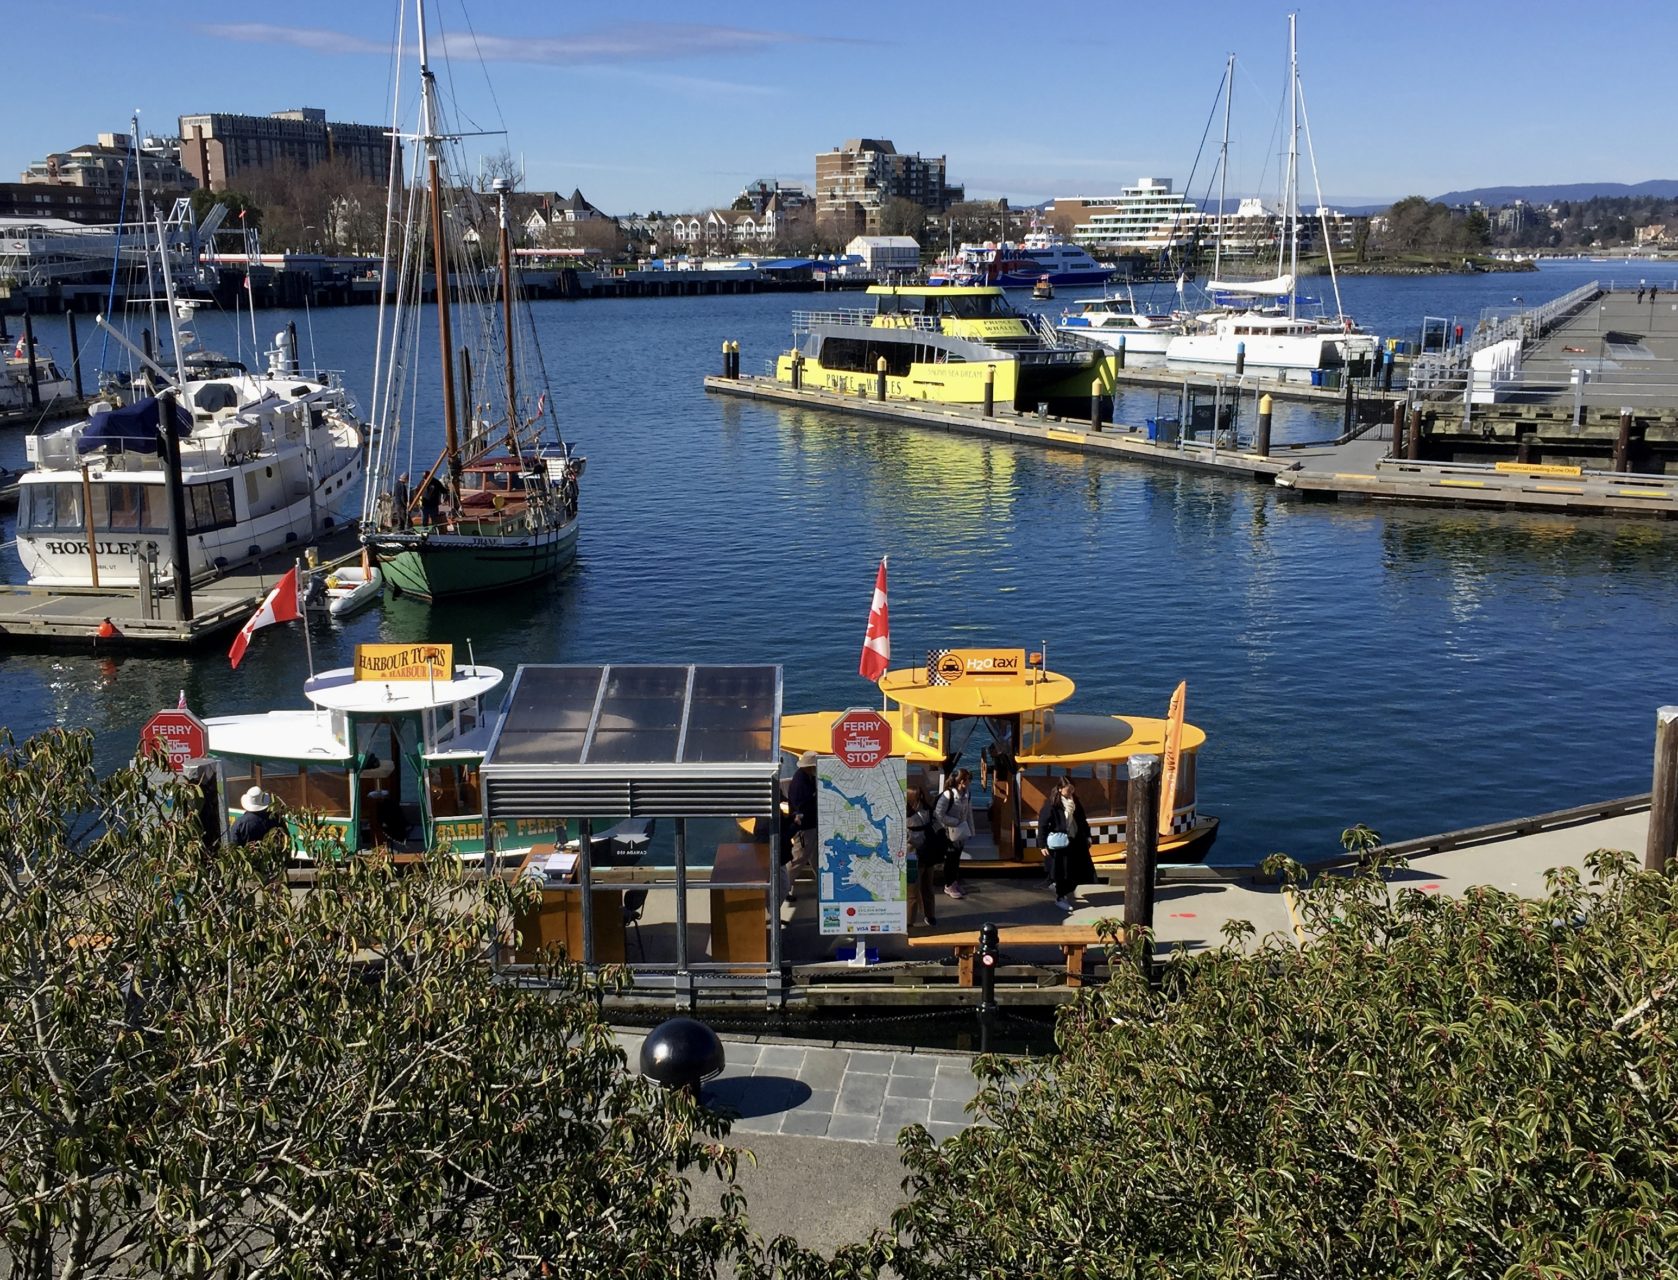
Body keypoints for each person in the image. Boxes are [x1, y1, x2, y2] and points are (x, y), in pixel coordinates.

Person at [1038, 774, 1096, 915]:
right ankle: (1060, 897)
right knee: (1062, 872)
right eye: (1068, 790)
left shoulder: (1075, 802)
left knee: (1077, 870)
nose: (1070, 793)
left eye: (1072, 790)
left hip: (1075, 840)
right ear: (1059, 789)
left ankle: (1061, 890)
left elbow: (1082, 820)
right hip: (1060, 843)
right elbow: (1043, 825)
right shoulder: (1052, 804)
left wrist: (1088, 835)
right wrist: (1042, 844)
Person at [781, 750, 819, 902]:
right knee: (798, 859)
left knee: (815, 858)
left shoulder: (805, 778)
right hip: (805, 828)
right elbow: (801, 807)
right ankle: (783, 889)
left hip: (810, 826)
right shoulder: (801, 783)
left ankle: (823, 887)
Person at [934, 768, 974, 899]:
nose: (970, 782)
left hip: (960, 833)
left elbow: (968, 814)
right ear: (962, 781)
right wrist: (955, 822)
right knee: (950, 859)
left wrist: (970, 831)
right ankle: (948, 885)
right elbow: (938, 814)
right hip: (949, 833)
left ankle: (954, 882)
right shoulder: (948, 795)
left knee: (956, 859)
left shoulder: (967, 794)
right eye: (968, 780)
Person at [905, 785, 939, 927]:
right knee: (927, 888)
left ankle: (909, 921)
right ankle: (930, 916)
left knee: (912, 891)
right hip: (928, 854)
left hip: (913, 856)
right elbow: (937, 826)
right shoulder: (928, 812)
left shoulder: (906, 816)